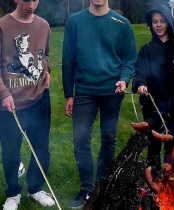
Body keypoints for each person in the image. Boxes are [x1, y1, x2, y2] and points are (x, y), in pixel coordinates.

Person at [62, 0, 137, 208]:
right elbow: (68, 59)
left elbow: (129, 59)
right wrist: (69, 93)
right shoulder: (75, 22)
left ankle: (102, 186)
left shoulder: (122, 24)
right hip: (85, 91)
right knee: (81, 139)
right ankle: (87, 190)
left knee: (108, 137)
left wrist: (124, 78)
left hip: (112, 91)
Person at [0, 0, 55, 209]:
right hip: (10, 103)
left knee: (41, 149)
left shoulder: (44, 25)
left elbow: (45, 54)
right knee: (11, 151)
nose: (31, 4)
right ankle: (13, 193)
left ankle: (36, 188)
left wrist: (47, 71)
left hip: (39, 99)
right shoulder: (3, 25)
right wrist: (3, 93)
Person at [132, 4, 174, 172]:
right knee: (153, 148)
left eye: (162, 21)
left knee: (171, 148)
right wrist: (140, 84)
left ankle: (167, 183)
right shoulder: (146, 50)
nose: (158, 25)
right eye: (154, 22)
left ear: (169, 23)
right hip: (152, 109)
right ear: (151, 24)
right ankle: (153, 187)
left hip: (173, 110)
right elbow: (139, 72)